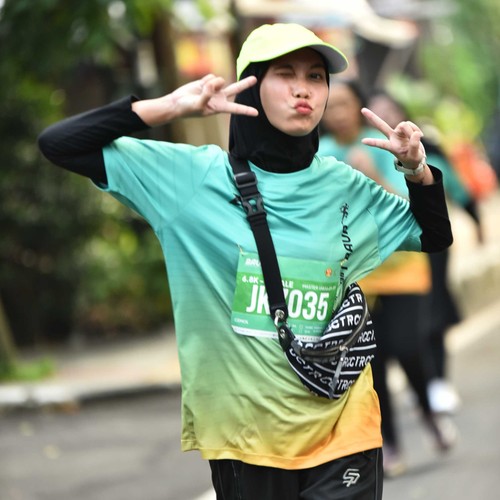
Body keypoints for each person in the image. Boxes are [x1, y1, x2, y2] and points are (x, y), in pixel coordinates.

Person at [38, 23, 452, 500]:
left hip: (346, 430)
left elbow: (433, 235)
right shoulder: (191, 181)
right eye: (285, 74)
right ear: (251, 86)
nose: (303, 89)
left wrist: (416, 170)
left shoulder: (345, 185)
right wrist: (168, 107)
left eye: (316, 77)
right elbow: (59, 144)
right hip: (248, 441)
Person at [319, 80, 457, 478]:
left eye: (345, 104)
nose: (338, 113)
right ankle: (390, 440)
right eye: (331, 106)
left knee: (409, 348)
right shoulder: (320, 155)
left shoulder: (381, 145)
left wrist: (372, 175)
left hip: (402, 271)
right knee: (372, 363)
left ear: (359, 105)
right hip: (356, 279)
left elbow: (413, 206)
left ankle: (428, 412)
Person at [369, 90, 483, 415]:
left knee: (434, 309)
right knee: (401, 327)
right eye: (377, 112)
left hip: (426, 245)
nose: (386, 118)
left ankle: (438, 381)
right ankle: (423, 383)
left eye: (390, 110)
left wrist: (477, 223)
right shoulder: (358, 154)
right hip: (388, 257)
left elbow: (455, 190)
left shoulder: (426, 152)